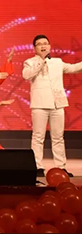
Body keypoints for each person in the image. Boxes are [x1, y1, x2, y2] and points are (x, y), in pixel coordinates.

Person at [23, 34, 82, 177]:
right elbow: (27, 75)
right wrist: (41, 61)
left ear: (49, 46)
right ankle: (37, 166)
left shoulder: (57, 62)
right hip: (39, 104)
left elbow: (73, 68)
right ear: (35, 48)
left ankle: (61, 167)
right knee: (38, 137)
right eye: (40, 44)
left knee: (58, 137)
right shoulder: (29, 62)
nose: (43, 46)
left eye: (45, 43)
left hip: (57, 104)